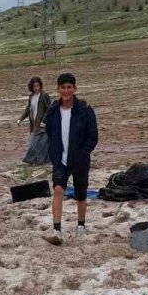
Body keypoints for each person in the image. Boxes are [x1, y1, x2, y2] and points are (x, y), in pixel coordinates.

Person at [42, 72, 98, 245]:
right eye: (63, 87)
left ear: (75, 88)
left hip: (80, 161)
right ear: (58, 89)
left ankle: (81, 225)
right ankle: (57, 229)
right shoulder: (52, 110)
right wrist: (53, 154)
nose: (66, 91)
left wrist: (83, 153)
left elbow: (93, 136)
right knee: (58, 190)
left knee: (81, 194)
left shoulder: (85, 110)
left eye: (69, 87)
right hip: (60, 160)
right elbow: (49, 133)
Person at [18, 76, 52, 165]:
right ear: (31, 87)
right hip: (34, 124)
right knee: (33, 143)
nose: (36, 88)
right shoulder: (31, 96)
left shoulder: (44, 95)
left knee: (42, 145)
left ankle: (41, 161)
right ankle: (32, 160)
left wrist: (44, 121)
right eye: (34, 86)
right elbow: (28, 109)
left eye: (38, 86)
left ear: (40, 86)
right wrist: (20, 119)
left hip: (44, 124)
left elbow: (49, 109)